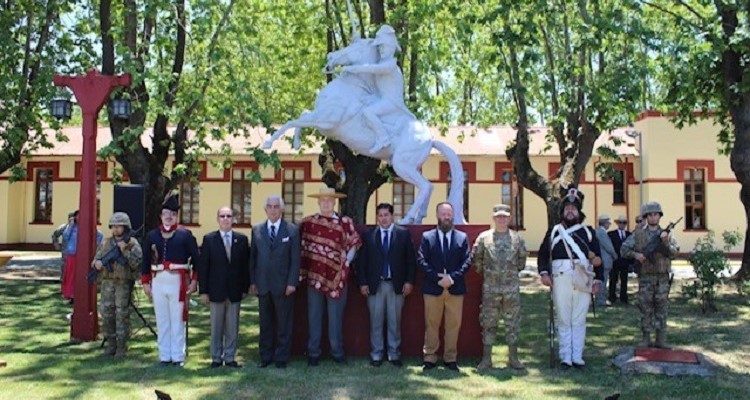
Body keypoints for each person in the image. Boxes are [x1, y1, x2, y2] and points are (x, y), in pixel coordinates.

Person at [537, 187, 603, 370]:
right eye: (567, 207)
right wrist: (544, 273)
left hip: (582, 278)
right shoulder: (554, 232)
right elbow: (543, 255)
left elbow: (598, 258)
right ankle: (565, 356)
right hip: (560, 278)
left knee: (579, 318)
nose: (570, 210)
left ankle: (577, 356)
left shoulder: (588, 232)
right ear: (563, 211)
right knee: (564, 318)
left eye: (574, 208)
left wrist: (598, 281)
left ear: (579, 211)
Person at [299, 188, 362, 366]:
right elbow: (301, 246)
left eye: (329, 200)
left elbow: (354, 243)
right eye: (323, 200)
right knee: (314, 315)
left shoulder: (345, 222)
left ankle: (337, 352)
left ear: (335, 202)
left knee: (336, 317)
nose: (326, 203)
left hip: (337, 277)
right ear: (318, 202)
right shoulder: (308, 223)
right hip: (315, 276)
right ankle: (313, 353)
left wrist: (347, 262)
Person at [141, 193, 200, 367]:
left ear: (176, 216)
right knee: (162, 319)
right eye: (166, 213)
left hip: (178, 281)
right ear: (161, 215)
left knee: (177, 319)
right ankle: (164, 356)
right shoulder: (152, 235)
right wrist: (145, 282)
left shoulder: (185, 235)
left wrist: (194, 281)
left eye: (172, 214)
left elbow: (197, 260)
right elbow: (145, 260)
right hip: (158, 280)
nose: (169, 217)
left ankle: (178, 356)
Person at [356, 203, 416, 368]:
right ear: (377, 218)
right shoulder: (369, 236)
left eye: (386, 215)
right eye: (380, 215)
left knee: (394, 321)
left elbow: (411, 260)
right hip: (375, 285)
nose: (383, 218)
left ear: (392, 216)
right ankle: (376, 354)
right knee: (375, 321)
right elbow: (361, 262)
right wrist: (362, 283)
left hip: (396, 285)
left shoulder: (403, 234)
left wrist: (409, 281)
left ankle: (393, 353)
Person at [341, 25, 415, 153]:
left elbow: (373, 69)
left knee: (368, 113)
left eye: (383, 46)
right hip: (380, 98)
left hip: (391, 102)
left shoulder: (391, 65)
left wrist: (355, 68)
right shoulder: (382, 63)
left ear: (391, 47)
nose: (381, 49)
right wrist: (357, 42)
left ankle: (383, 137)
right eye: (379, 47)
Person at [472, 204, 527, 371]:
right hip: (490, 290)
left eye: (505, 216)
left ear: (509, 218)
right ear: (493, 218)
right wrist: (491, 275)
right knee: (488, 323)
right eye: (498, 216)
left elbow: (521, 262)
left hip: (511, 290)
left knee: (513, 323)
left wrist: (508, 276)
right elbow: (477, 260)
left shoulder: (517, 239)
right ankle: (487, 359)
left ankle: (513, 358)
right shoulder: (484, 238)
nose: (501, 219)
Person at [418, 202, 471, 372]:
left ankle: (450, 359)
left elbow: (467, 262)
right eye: (443, 214)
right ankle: (430, 358)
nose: (446, 217)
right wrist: (437, 279)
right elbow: (421, 261)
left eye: (449, 214)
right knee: (431, 324)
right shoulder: (427, 237)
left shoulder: (462, 238)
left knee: (453, 325)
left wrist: (451, 278)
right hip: (433, 288)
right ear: (437, 215)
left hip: (455, 289)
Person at [249, 196, 301, 369]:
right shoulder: (256, 230)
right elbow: (253, 259)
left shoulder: (292, 230)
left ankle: (281, 358)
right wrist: (253, 282)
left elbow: (295, 260)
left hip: (284, 285)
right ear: (265, 210)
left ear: (281, 209)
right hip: (263, 284)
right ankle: (265, 356)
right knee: (265, 324)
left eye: (276, 207)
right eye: (270, 206)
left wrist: (292, 282)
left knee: (284, 324)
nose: (273, 209)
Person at [620, 201, 679, 348]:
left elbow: (674, 253)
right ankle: (646, 338)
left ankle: (660, 339)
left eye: (656, 214)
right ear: (646, 217)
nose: (653, 217)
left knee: (662, 307)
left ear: (660, 216)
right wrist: (636, 255)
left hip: (662, 278)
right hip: (646, 277)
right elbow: (624, 249)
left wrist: (665, 243)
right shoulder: (638, 234)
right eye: (650, 215)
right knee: (645, 307)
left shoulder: (666, 235)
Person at [198, 207, 249, 368]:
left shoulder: (241, 240)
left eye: (229, 216)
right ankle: (216, 358)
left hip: (235, 291)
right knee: (216, 326)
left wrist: (244, 288)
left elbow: (245, 267)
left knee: (233, 327)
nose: (226, 219)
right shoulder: (209, 239)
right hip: (215, 291)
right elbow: (203, 267)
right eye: (222, 216)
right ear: (218, 219)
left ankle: (230, 356)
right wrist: (204, 290)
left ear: (233, 218)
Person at [91, 212, 143, 357]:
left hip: (123, 284)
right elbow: (96, 258)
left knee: (122, 314)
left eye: (119, 226)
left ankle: (122, 346)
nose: (116, 229)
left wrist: (124, 250)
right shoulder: (105, 242)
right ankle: (110, 344)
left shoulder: (132, 243)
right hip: (108, 283)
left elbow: (137, 263)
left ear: (125, 227)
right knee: (107, 313)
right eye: (113, 226)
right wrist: (97, 263)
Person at [61, 210, 103, 302]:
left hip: (84, 255)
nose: (79, 218)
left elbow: (99, 236)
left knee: (82, 275)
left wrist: (94, 245)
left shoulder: (88, 227)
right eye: (77, 216)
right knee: (71, 275)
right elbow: (65, 236)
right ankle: (70, 294)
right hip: (72, 254)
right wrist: (71, 225)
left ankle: (80, 294)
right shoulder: (71, 227)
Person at [608, 215, 632, 304]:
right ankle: (612, 297)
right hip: (615, 261)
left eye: (624, 223)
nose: (622, 224)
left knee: (624, 280)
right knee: (613, 280)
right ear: (617, 223)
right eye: (620, 222)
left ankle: (623, 298)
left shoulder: (629, 235)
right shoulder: (611, 234)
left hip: (625, 260)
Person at [595, 215, 617, 307]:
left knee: (602, 281)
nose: (609, 225)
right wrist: (614, 255)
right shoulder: (601, 233)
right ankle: (601, 300)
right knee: (603, 281)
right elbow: (608, 247)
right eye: (608, 223)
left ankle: (600, 299)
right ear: (604, 223)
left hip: (602, 260)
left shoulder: (599, 232)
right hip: (605, 261)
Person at [51, 211, 75, 281]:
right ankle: (63, 285)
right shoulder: (64, 227)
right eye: (70, 219)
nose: (71, 221)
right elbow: (55, 235)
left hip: (75, 253)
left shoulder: (78, 228)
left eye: (73, 219)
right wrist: (56, 243)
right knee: (64, 269)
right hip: (65, 253)